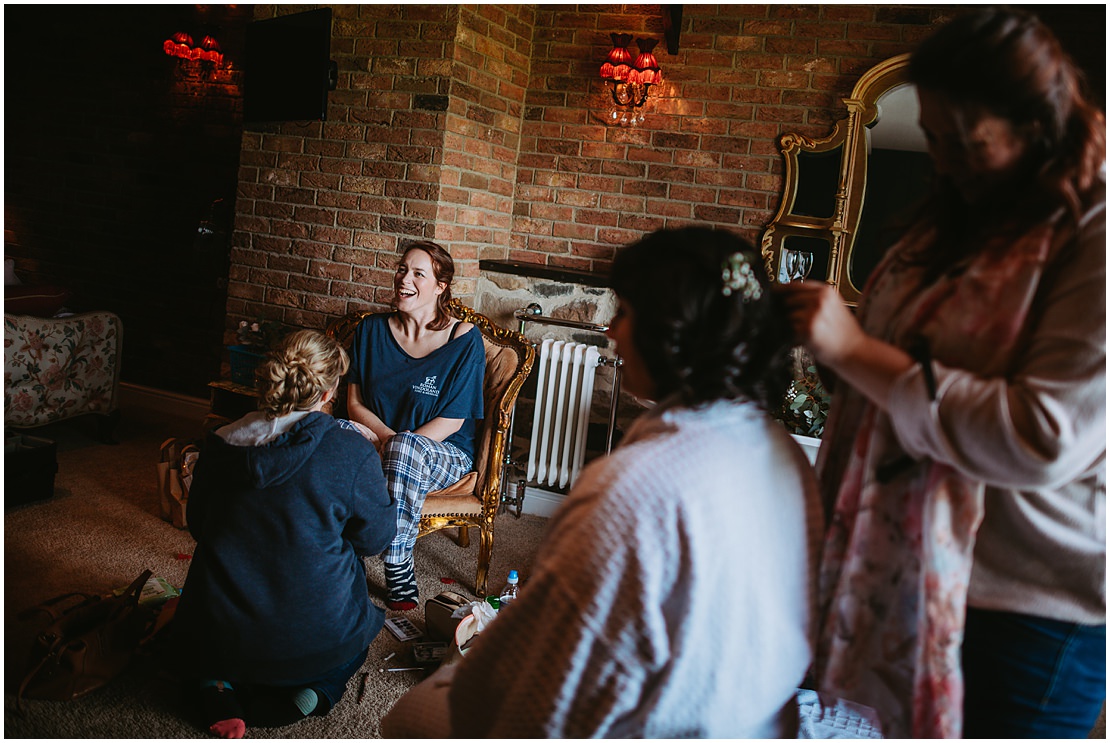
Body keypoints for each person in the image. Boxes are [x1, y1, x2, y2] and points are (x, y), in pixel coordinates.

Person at [781, 8, 1105, 738]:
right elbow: (899, 354)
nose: (947, 163)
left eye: (968, 142)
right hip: (900, 566)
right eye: (934, 140)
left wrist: (855, 353)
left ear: (1038, 123)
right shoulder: (959, 208)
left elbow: (1043, 434)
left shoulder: (1096, 224)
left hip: (1023, 607)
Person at [381, 226, 823, 737]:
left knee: (407, 721)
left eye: (626, 312)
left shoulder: (632, 485)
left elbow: (517, 694)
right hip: (757, 714)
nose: (611, 331)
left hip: (673, 721)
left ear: (672, 330)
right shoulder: (781, 449)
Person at [171, 330, 396, 739]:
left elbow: (199, 525)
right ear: (329, 391)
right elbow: (375, 540)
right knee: (362, 630)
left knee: (198, 630)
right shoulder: (351, 451)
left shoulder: (219, 443)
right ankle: (308, 693)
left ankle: (216, 684)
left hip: (223, 631)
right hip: (311, 638)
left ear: (267, 379)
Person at [345, 240, 485, 611]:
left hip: (444, 453)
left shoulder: (463, 338)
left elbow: (453, 420)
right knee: (334, 435)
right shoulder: (371, 330)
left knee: (405, 449)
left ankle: (397, 565)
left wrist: (396, 447)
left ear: (441, 287)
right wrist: (387, 443)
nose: (404, 279)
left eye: (418, 274)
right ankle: (341, 557)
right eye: (402, 269)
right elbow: (354, 403)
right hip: (379, 440)